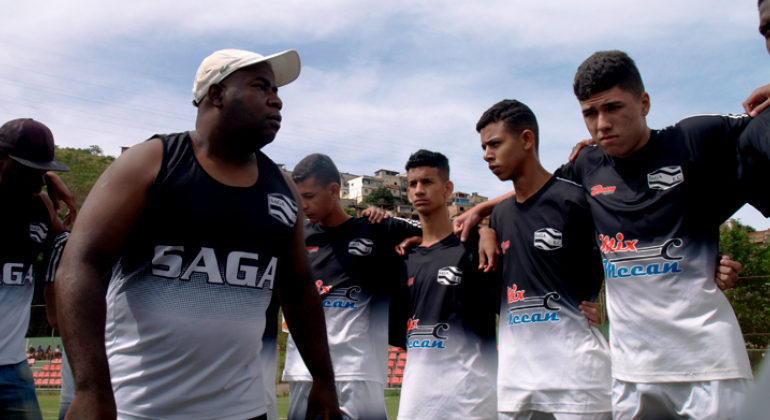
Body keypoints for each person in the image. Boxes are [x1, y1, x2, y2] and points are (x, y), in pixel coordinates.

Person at [55, 48, 341, 420]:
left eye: (275, 89)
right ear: (217, 94)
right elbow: (80, 267)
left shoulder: (283, 188)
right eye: (261, 86)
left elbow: (299, 286)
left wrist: (323, 377)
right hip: (139, 410)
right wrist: (91, 389)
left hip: (244, 411)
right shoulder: (150, 162)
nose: (277, 99)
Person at [477, 99, 612, 419]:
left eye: (495, 143)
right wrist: (484, 227)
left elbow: (619, 256)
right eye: (483, 147)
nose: (486, 155)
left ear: (526, 139)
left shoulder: (575, 200)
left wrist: (600, 306)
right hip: (516, 382)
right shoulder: (500, 217)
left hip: (577, 380)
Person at [282, 153, 422, 420]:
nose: (303, 204)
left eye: (309, 196)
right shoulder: (298, 235)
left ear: (334, 190)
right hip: (304, 369)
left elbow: (438, 231)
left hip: (358, 369)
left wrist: (486, 230)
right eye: (299, 197)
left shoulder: (377, 228)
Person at [396, 150, 498, 420]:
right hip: (415, 402)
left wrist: (484, 228)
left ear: (447, 189)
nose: (419, 190)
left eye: (428, 182)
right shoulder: (404, 259)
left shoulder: (476, 247)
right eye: (412, 184)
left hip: (471, 399)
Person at [0, 118, 70, 420]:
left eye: (42, 171)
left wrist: (56, 189)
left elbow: (70, 242)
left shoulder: (40, 206)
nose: (39, 180)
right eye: (30, 171)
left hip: (13, 369)